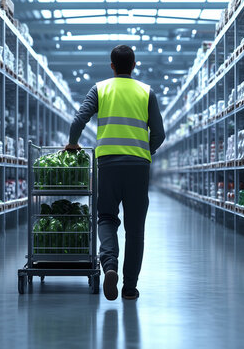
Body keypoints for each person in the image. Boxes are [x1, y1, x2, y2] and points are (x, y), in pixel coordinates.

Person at [65, 45, 165, 301]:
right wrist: (145, 150)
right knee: (135, 229)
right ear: (134, 65)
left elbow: (79, 120)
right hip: (138, 167)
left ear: (112, 65)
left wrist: (73, 143)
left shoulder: (100, 89)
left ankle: (109, 266)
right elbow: (159, 134)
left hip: (107, 164)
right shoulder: (146, 92)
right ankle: (129, 289)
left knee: (107, 217)